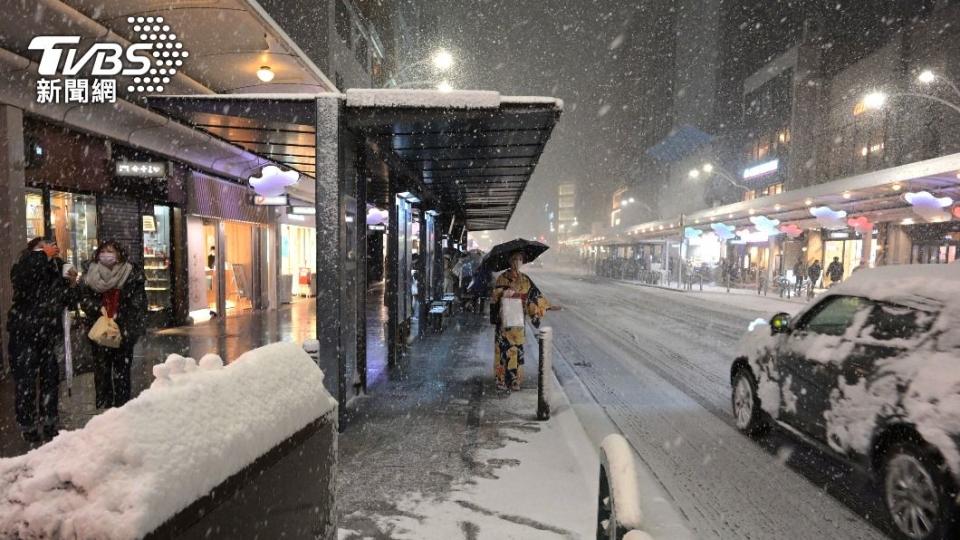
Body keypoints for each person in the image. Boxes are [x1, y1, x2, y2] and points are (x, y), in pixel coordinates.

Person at [6, 237, 78, 443]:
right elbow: (23, 278)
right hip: (23, 332)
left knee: (50, 379)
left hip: (48, 334)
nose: (46, 251)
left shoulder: (58, 268)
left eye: (49, 248)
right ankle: (27, 424)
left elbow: (69, 301)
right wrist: (41, 256)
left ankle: (49, 421)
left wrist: (72, 284)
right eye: (40, 248)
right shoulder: (23, 266)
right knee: (25, 380)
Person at [80, 241, 147, 409]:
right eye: (103, 251)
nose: (106, 254)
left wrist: (122, 313)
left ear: (119, 254)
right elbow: (84, 299)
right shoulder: (90, 273)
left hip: (123, 330)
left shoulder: (131, 273)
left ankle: (122, 408)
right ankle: (104, 409)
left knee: (122, 372)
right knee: (102, 372)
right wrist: (98, 308)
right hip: (99, 329)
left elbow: (139, 302)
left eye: (111, 251)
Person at [489, 252, 551, 392]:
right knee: (503, 350)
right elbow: (494, 296)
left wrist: (545, 306)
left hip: (517, 321)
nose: (517, 262)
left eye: (520, 259)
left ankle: (515, 380)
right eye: (514, 259)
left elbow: (534, 296)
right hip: (504, 322)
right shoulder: (502, 278)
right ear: (510, 261)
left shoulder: (525, 279)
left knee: (517, 351)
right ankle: (501, 379)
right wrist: (503, 293)